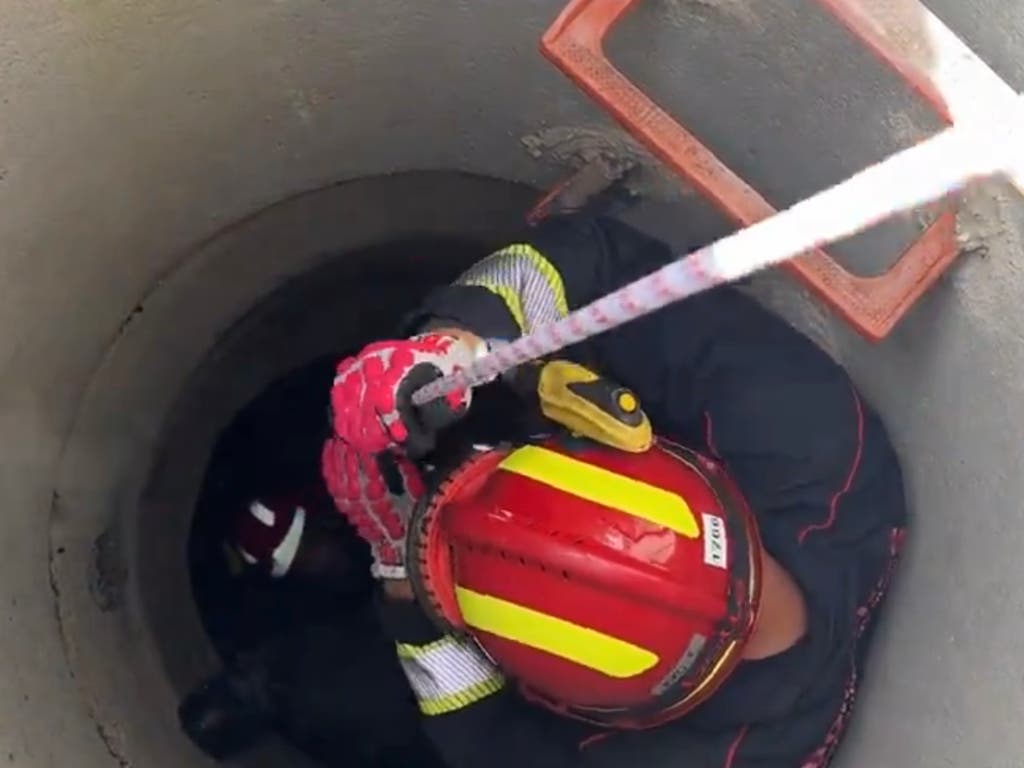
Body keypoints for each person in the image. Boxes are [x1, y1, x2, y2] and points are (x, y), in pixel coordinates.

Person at [322, 215, 908, 768]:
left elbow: (492, 743)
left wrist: (400, 567)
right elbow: (595, 260)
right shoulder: (810, 438)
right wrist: (458, 343)